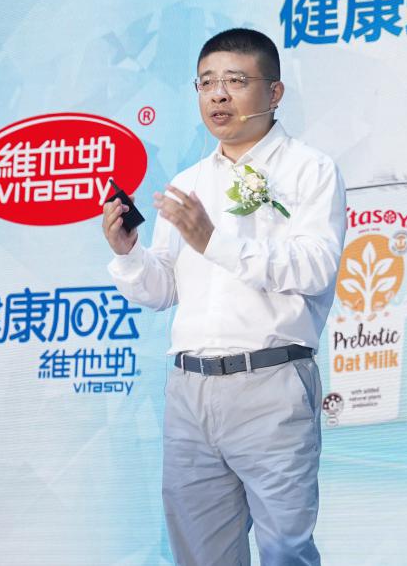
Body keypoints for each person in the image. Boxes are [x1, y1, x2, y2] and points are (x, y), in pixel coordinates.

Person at [102, 28, 346, 565]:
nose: (218, 95)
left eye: (235, 81)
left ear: (274, 92)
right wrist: (129, 254)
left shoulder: (310, 169)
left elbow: (315, 266)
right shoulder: (188, 182)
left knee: (284, 550)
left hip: (271, 381)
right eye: (206, 82)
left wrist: (213, 240)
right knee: (200, 554)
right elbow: (163, 290)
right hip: (189, 390)